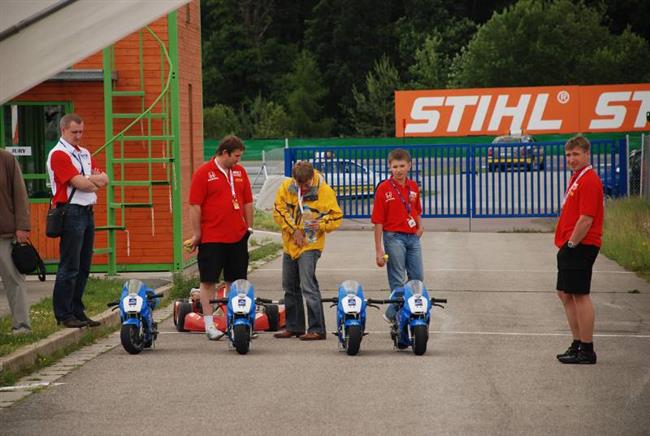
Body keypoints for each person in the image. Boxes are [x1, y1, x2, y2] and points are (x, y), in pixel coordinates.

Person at [188, 135, 253, 341]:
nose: (238, 160)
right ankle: (209, 325)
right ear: (224, 153)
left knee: (236, 281)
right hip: (212, 237)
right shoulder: (203, 173)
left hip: (237, 236)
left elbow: (247, 202)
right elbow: (194, 205)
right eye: (236, 156)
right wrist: (198, 233)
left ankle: (236, 321)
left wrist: (249, 228)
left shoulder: (240, 172)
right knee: (208, 281)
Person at [47, 113, 109, 328]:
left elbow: (104, 178)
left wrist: (89, 180)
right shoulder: (59, 154)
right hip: (71, 210)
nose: (78, 136)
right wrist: (91, 181)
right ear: (63, 130)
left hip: (87, 211)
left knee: (84, 264)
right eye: (74, 132)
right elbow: (79, 183)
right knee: (70, 264)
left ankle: (77, 309)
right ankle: (64, 313)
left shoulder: (84, 153)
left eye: (81, 132)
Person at [272, 160, 342, 340]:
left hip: (311, 245)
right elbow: (278, 210)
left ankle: (317, 329)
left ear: (312, 177)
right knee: (289, 286)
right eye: (299, 184)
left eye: (306, 184)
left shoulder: (324, 191)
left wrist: (321, 224)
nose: (302, 188)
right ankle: (294, 326)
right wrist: (293, 229)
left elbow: (336, 217)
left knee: (308, 286)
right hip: (290, 243)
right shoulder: (287, 187)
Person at [554, 135, 603, 365]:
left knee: (580, 295)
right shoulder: (577, 178)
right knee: (565, 293)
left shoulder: (590, 180)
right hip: (571, 245)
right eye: (568, 155)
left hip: (581, 244)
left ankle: (587, 349)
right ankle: (577, 343)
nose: (571, 159)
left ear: (586, 154)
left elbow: (586, 218)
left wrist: (572, 244)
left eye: (576, 154)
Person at [371, 148, 424, 322]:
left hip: (412, 237)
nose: (398, 170)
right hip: (393, 237)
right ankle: (395, 316)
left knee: (417, 279)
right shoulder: (383, 189)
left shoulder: (413, 186)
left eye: (402, 166)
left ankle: (407, 314)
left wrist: (420, 225)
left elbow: (416, 209)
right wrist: (379, 250)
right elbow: (378, 221)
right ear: (389, 167)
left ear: (409, 165)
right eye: (395, 166)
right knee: (398, 280)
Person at [0, 148, 32, 334]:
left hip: (5, 233)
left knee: (14, 281)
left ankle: (21, 326)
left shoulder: (6, 159)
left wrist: (22, 226)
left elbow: (20, 194)